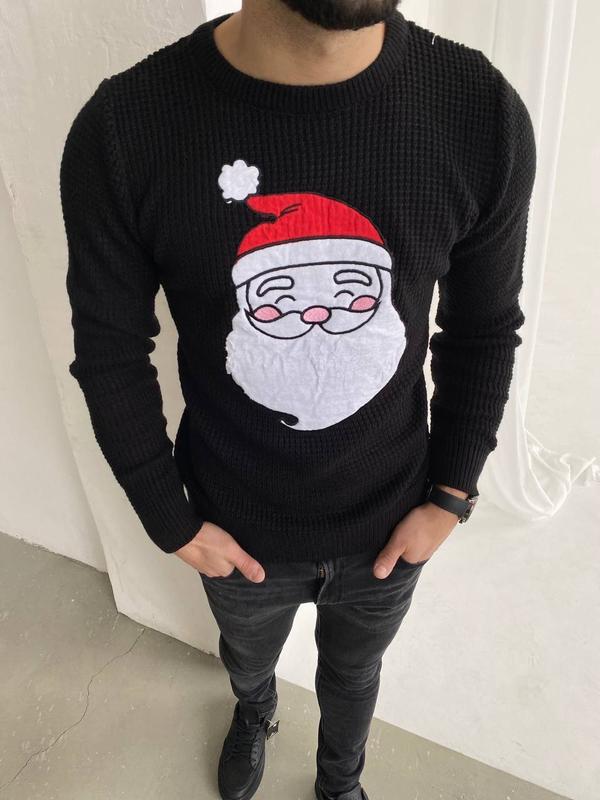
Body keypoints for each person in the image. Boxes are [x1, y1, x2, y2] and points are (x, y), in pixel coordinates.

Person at [59, 1, 537, 798]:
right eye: (283, 299)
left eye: (346, 291)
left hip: (392, 520)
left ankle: (339, 780)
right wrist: (169, 518)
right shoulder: (126, 130)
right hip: (232, 529)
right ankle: (255, 710)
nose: (315, 313)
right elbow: (110, 352)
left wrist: (451, 496)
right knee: (247, 659)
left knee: (356, 672)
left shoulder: (477, 111)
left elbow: (482, 329)